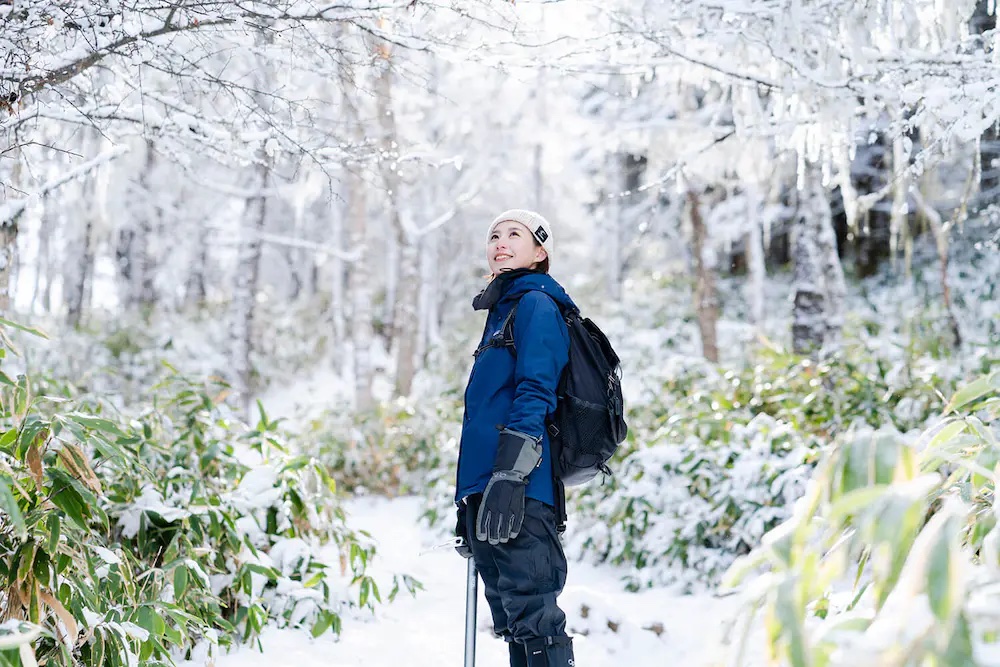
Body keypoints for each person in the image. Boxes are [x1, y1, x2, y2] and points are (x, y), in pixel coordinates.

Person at [454, 209, 577, 667]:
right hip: (489, 488)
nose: (500, 241)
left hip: (521, 487)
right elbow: (485, 413)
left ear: (539, 253)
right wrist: (468, 498)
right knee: (514, 621)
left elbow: (536, 390)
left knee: (536, 617)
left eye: (514, 234)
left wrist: (510, 475)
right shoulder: (501, 314)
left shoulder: (537, 306)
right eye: (494, 235)